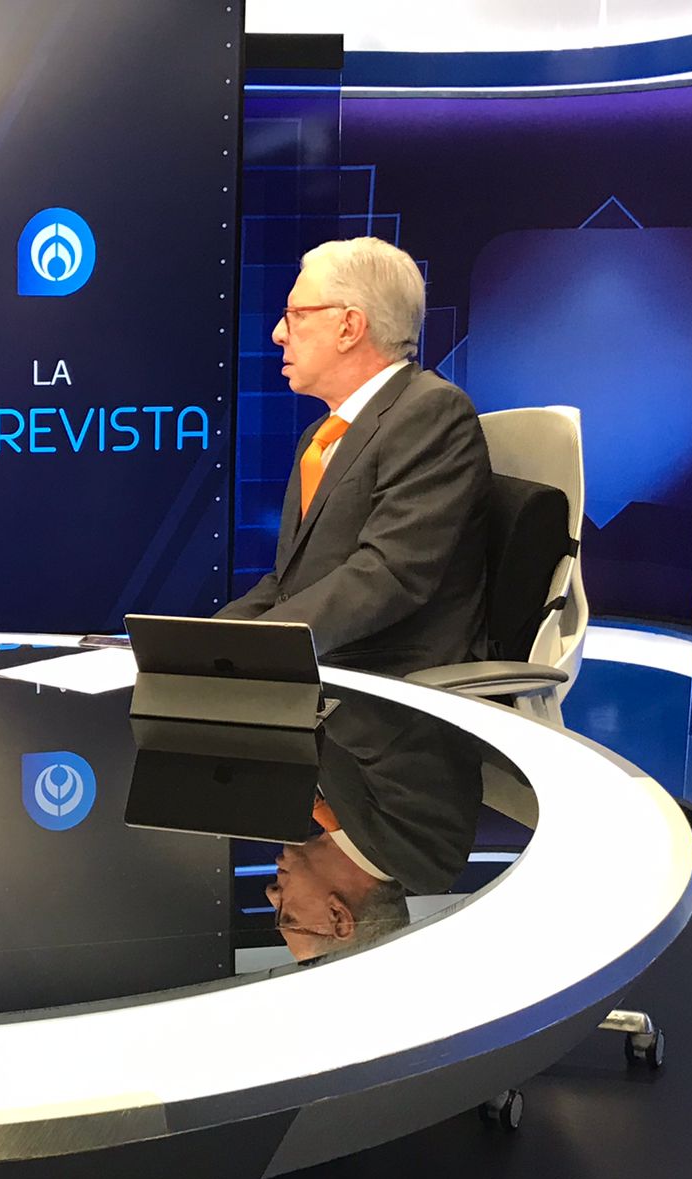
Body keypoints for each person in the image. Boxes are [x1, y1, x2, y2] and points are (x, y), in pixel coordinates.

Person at [218, 237, 491, 676]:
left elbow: (388, 575)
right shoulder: (319, 436)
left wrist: (253, 649)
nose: (279, 333)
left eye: (296, 315)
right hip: (322, 664)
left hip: (391, 681)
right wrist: (198, 643)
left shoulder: (431, 412)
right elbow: (287, 585)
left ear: (349, 326)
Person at [267, 691, 484, 962]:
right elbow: (378, 715)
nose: (272, 895)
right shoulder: (424, 861)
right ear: (339, 917)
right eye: (287, 917)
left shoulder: (317, 806)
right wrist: (277, 697)